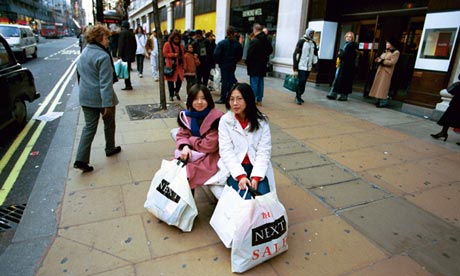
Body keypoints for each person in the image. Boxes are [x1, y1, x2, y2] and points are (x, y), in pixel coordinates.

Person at [74, 24, 121, 172]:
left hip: (86, 97)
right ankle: (110, 148)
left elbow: (79, 76)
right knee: (109, 123)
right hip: (101, 98)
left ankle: (81, 159)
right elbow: (105, 84)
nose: (108, 40)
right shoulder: (103, 56)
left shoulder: (84, 52)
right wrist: (107, 104)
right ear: (100, 38)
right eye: (107, 37)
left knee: (89, 128)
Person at [219, 83, 273, 199]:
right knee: (243, 199)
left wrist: (257, 176)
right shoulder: (225, 121)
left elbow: (264, 151)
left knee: (263, 199)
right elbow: (226, 151)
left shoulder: (261, 121)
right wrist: (240, 175)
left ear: (248, 99)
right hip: (235, 167)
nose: (235, 103)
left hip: (255, 165)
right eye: (231, 99)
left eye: (239, 99)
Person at [175, 84, 223, 193]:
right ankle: (182, 206)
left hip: (211, 158)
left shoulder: (216, 118)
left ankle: (187, 207)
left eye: (203, 98)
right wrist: (185, 146)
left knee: (188, 173)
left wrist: (191, 140)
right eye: (195, 99)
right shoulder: (188, 116)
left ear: (209, 100)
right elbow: (182, 135)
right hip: (194, 154)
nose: (199, 102)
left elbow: (209, 145)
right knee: (177, 171)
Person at [213, 26, 243, 104]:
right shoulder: (237, 45)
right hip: (232, 64)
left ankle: (223, 97)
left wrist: (220, 62)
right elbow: (240, 55)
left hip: (224, 65)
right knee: (230, 81)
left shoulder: (222, 43)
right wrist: (234, 60)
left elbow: (216, 54)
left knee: (224, 81)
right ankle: (230, 97)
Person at [245, 23, 273, 106]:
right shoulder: (266, 39)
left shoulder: (255, 40)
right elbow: (270, 50)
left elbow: (249, 53)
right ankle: (259, 99)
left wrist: (247, 62)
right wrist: (264, 56)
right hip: (262, 64)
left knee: (254, 82)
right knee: (260, 82)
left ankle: (252, 99)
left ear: (254, 30)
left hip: (254, 64)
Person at [369, 38, 400, 108]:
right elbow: (381, 57)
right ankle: (378, 100)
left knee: (383, 87)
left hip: (386, 72)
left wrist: (382, 61)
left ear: (392, 44)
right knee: (378, 86)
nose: (386, 44)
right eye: (386, 43)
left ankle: (383, 102)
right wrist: (377, 59)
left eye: (388, 43)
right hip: (380, 70)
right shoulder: (386, 51)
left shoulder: (396, 52)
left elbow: (392, 62)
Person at [327, 31, 358, 101]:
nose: (348, 38)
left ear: (352, 38)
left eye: (350, 37)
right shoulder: (348, 45)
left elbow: (344, 55)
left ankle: (335, 94)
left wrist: (340, 53)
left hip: (346, 67)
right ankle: (339, 95)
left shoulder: (350, 46)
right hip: (345, 66)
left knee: (339, 80)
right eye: (347, 36)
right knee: (341, 80)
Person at [430, 75, 460, 145]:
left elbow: (451, 91)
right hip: (455, 103)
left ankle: (443, 133)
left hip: (456, 103)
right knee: (447, 118)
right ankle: (443, 132)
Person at [292, 28, 318, 105]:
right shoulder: (301, 41)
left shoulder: (313, 43)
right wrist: (295, 67)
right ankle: (298, 96)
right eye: (311, 33)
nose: (312, 35)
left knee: (304, 82)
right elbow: (296, 54)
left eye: (313, 34)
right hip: (301, 66)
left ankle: (300, 95)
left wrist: (315, 64)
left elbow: (315, 54)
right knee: (301, 81)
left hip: (308, 67)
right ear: (307, 33)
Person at [163, 32, 185, 101]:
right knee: (170, 81)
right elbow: (164, 54)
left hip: (179, 66)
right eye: (175, 39)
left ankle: (176, 91)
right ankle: (171, 95)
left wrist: (184, 64)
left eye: (178, 39)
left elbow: (183, 55)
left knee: (179, 81)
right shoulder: (167, 44)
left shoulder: (181, 45)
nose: (177, 40)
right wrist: (173, 55)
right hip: (171, 66)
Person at [118, 21, 136, 90]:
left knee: (126, 70)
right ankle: (128, 83)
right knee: (127, 69)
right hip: (130, 55)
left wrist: (119, 54)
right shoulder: (132, 34)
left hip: (124, 55)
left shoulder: (122, 33)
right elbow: (135, 45)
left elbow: (121, 44)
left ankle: (128, 84)